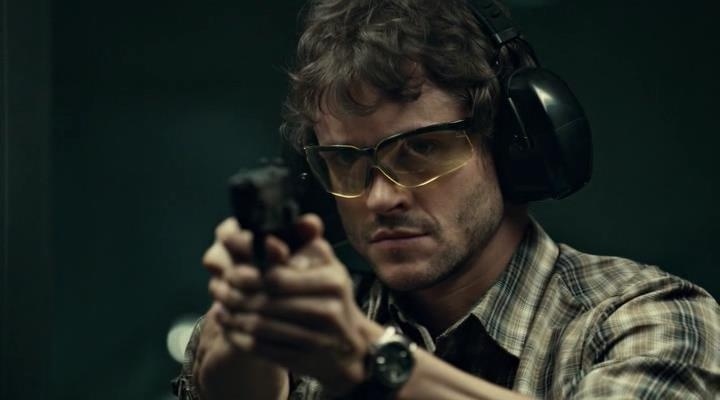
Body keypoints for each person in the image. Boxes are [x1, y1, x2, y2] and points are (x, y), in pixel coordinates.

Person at [174, 0, 720, 398]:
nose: (381, 197)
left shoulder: (653, 320)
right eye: (345, 160)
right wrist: (244, 350)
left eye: (422, 149)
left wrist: (366, 360)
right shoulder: (309, 327)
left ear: (511, 144)